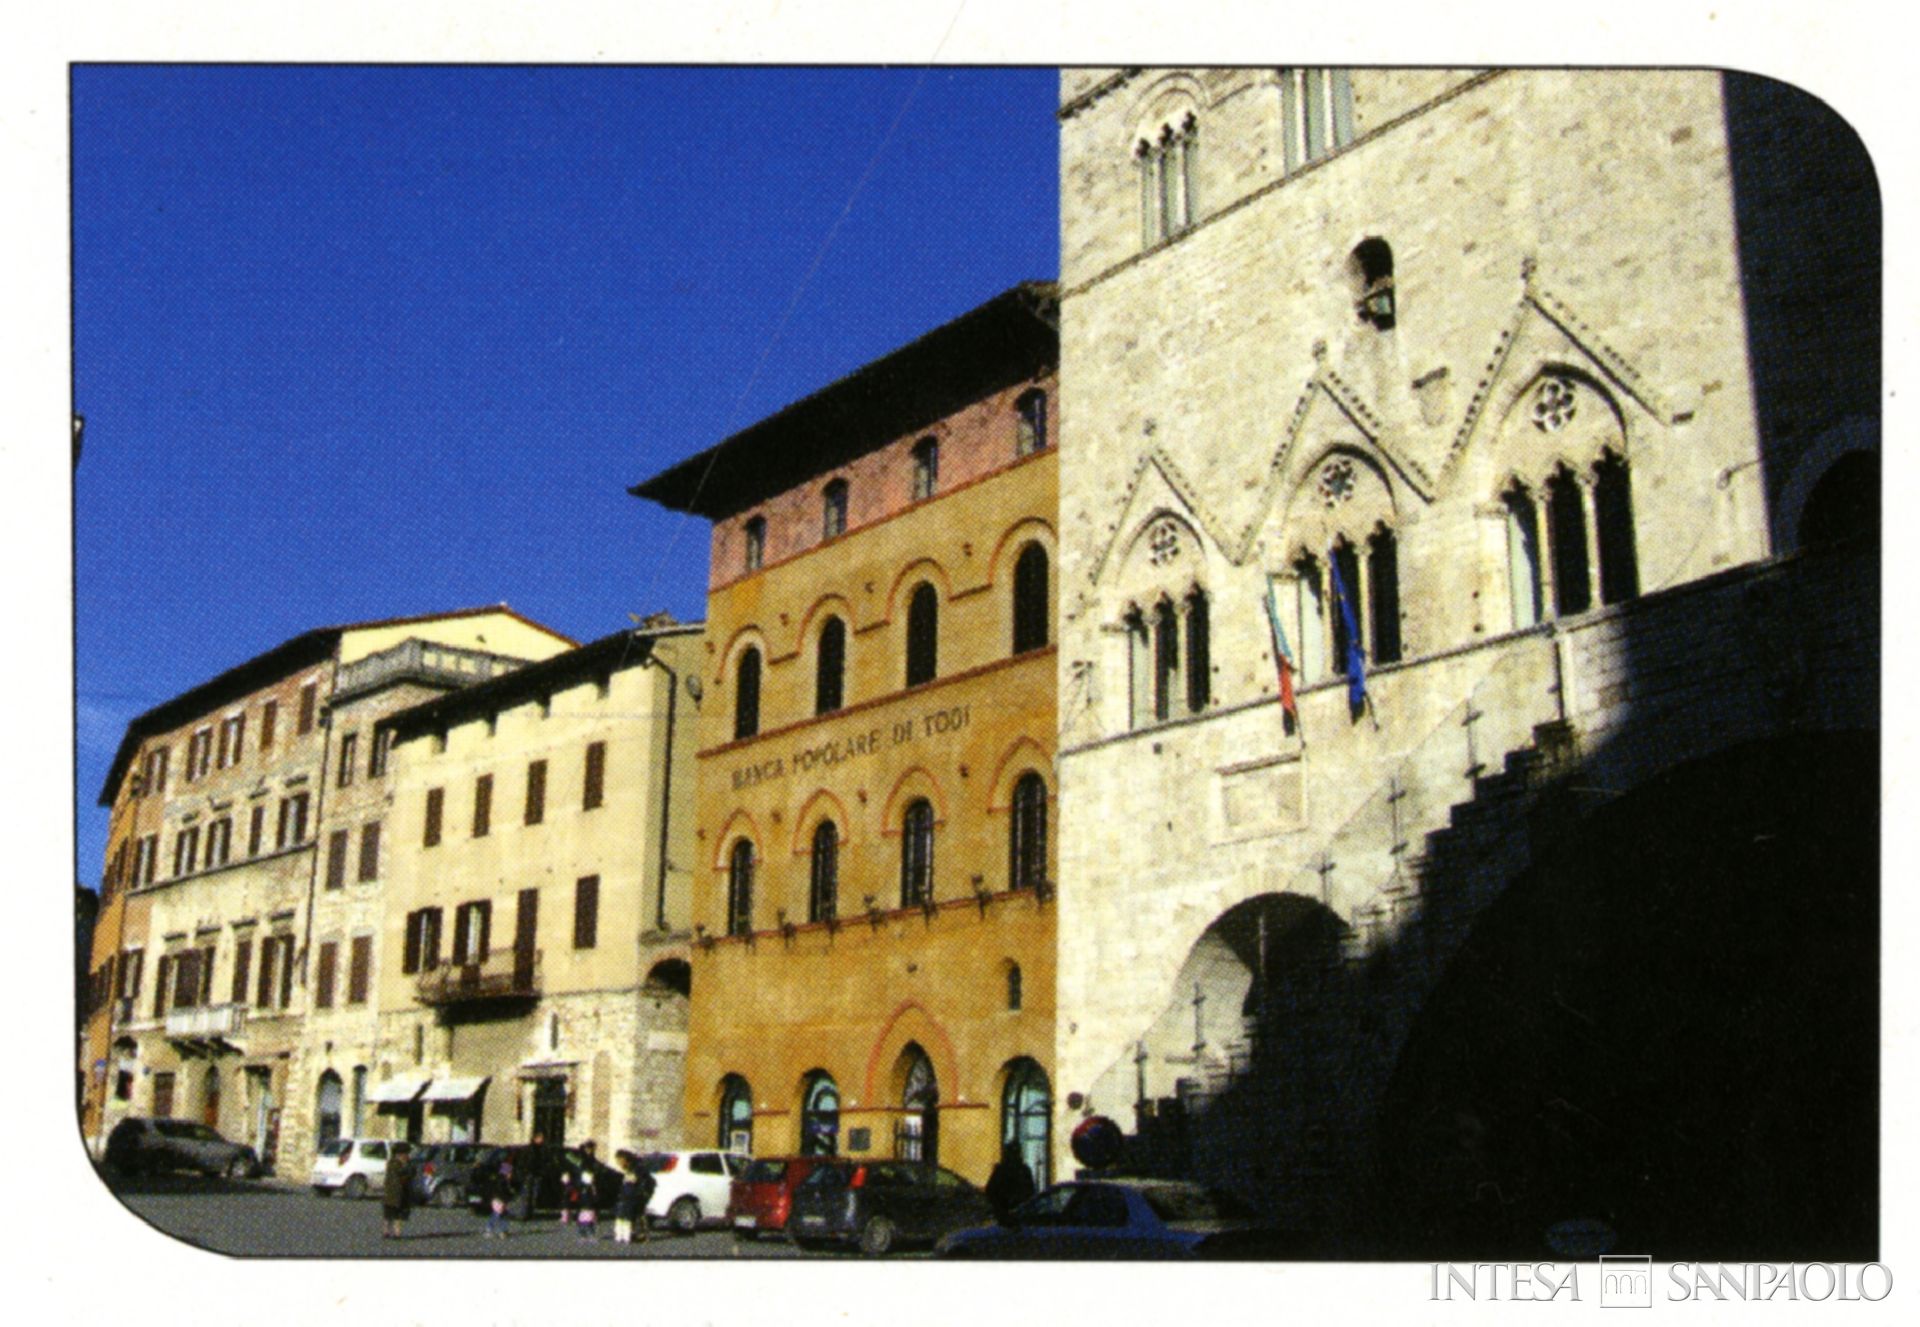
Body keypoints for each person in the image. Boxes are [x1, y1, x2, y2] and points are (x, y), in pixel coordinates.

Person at [985, 1144, 1036, 1225]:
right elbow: (1031, 1191)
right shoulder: (1023, 1170)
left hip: (1008, 1212)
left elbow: (990, 1191)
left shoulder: (1001, 1170)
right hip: (1015, 1212)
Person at [613, 1151, 654, 1245]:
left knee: (636, 1215)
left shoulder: (637, 1168)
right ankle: (625, 1235)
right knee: (624, 1215)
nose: (618, 1163)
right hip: (628, 1196)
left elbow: (645, 1182)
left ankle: (640, 1235)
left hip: (636, 1196)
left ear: (625, 1159)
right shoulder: (629, 1169)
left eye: (619, 1161)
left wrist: (644, 1194)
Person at [381, 1142, 415, 1240]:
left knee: (396, 1214)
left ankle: (395, 1232)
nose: (407, 1156)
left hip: (398, 1193)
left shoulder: (395, 1163)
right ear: (400, 1154)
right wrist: (408, 1169)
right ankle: (388, 1232)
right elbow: (402, 1175)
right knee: (391, 1214)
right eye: (406, 1154)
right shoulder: (395, 1164)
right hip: (394, 1193)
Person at [484, 1156, 516, 1239]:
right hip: (499, 1200)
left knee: (502, 1214)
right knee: (497, 1214)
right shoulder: (502, 1182)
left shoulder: (502, 1181)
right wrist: (506, 1197)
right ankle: (490, 1229)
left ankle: (502, 1230)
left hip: (500, 1200)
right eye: (510, 1173)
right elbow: (501, 1192)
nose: (511, 1175)